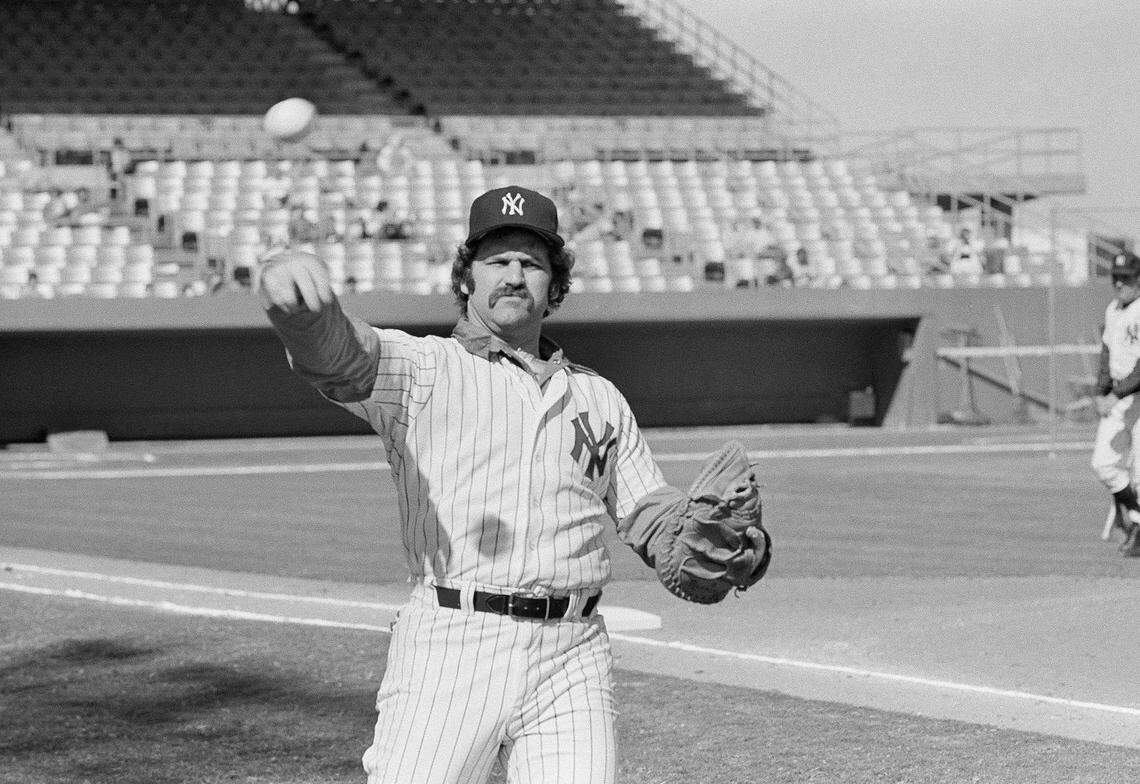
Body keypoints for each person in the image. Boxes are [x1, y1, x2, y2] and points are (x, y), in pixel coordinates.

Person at [258, 185, 769, 783]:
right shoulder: (423, 368)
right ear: (467, 279)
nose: (514, 274)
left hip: (574, 650)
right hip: (454, 643)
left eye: (531, 263)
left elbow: (648, 512)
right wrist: (301, 310)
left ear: (554, 286)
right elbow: (342, 356)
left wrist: (711, 544)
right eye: (497, 260)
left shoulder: (598, 395)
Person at [1091, 251, 1140, 557]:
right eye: (1116, 277)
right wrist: (1101, 390)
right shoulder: (1113, 309)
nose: (1120, 283)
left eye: (1127, 277)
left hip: (1134, 395)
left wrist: (1114, 394)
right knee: (1103, 463)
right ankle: (1135, 517)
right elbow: (1107, 351)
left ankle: (1136, 531)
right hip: (1121, 396)